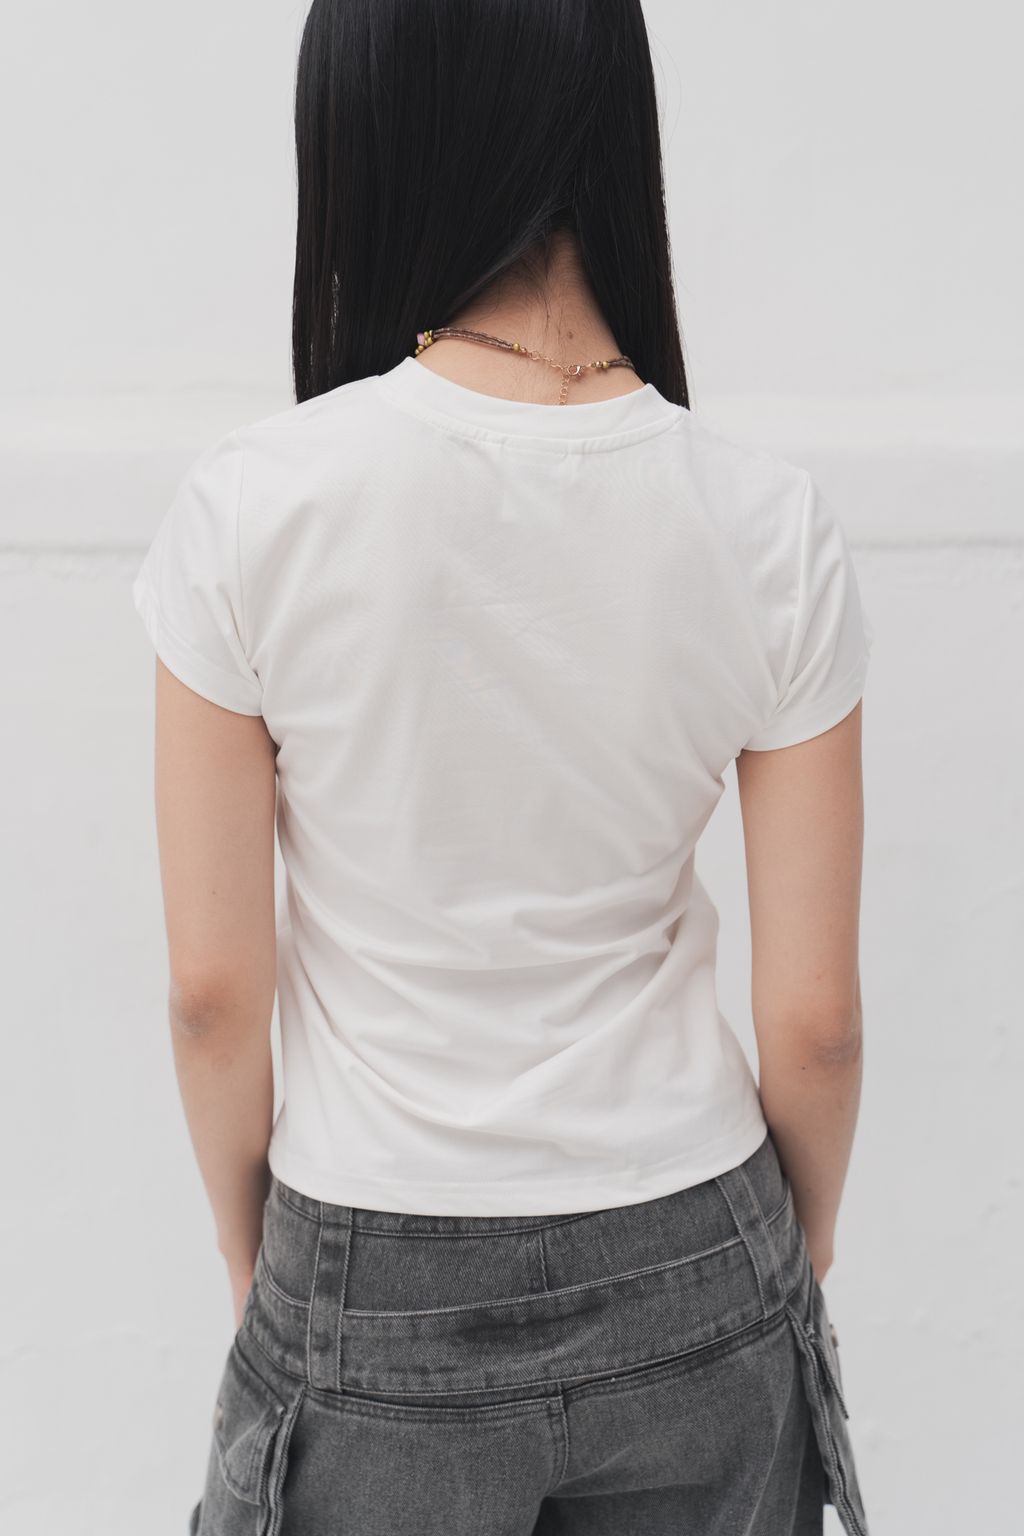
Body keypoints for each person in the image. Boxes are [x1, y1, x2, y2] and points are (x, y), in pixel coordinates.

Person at [132, 1, 874, 1532]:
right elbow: (816, 1025)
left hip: (374, 1247)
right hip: (699, 1240)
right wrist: (774, 1278)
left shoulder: (255, 508)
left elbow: (212, 991)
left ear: (369, 129)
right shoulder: (766, 521)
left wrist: (261, 1264)